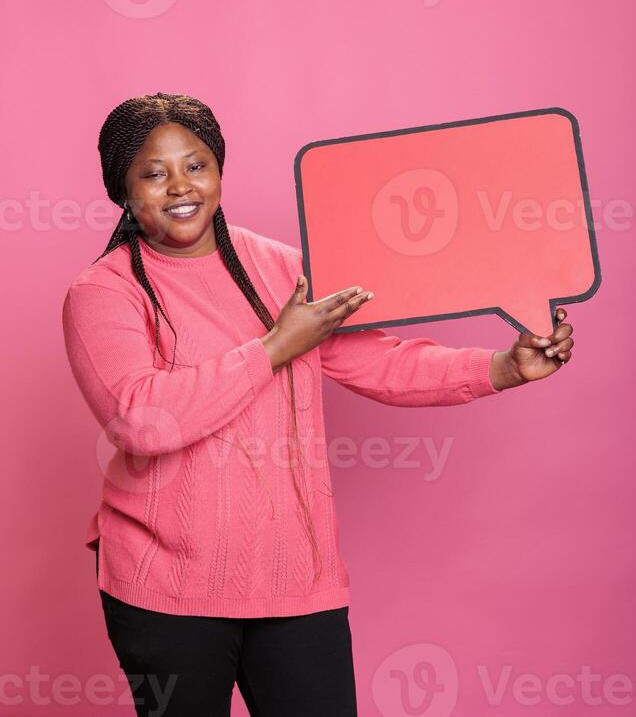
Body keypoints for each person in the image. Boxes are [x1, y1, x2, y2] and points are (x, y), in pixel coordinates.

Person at [61, 92, 574, 717]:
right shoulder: (103, 291)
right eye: (153, 173)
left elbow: (379, 361)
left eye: (196, 165)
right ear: (123, 189)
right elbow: (141, 419)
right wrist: (275, 346)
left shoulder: (284, 270)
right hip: (166, 589)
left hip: (296, 579)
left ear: (220, 170)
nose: (179, 186)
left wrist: (500, 367)